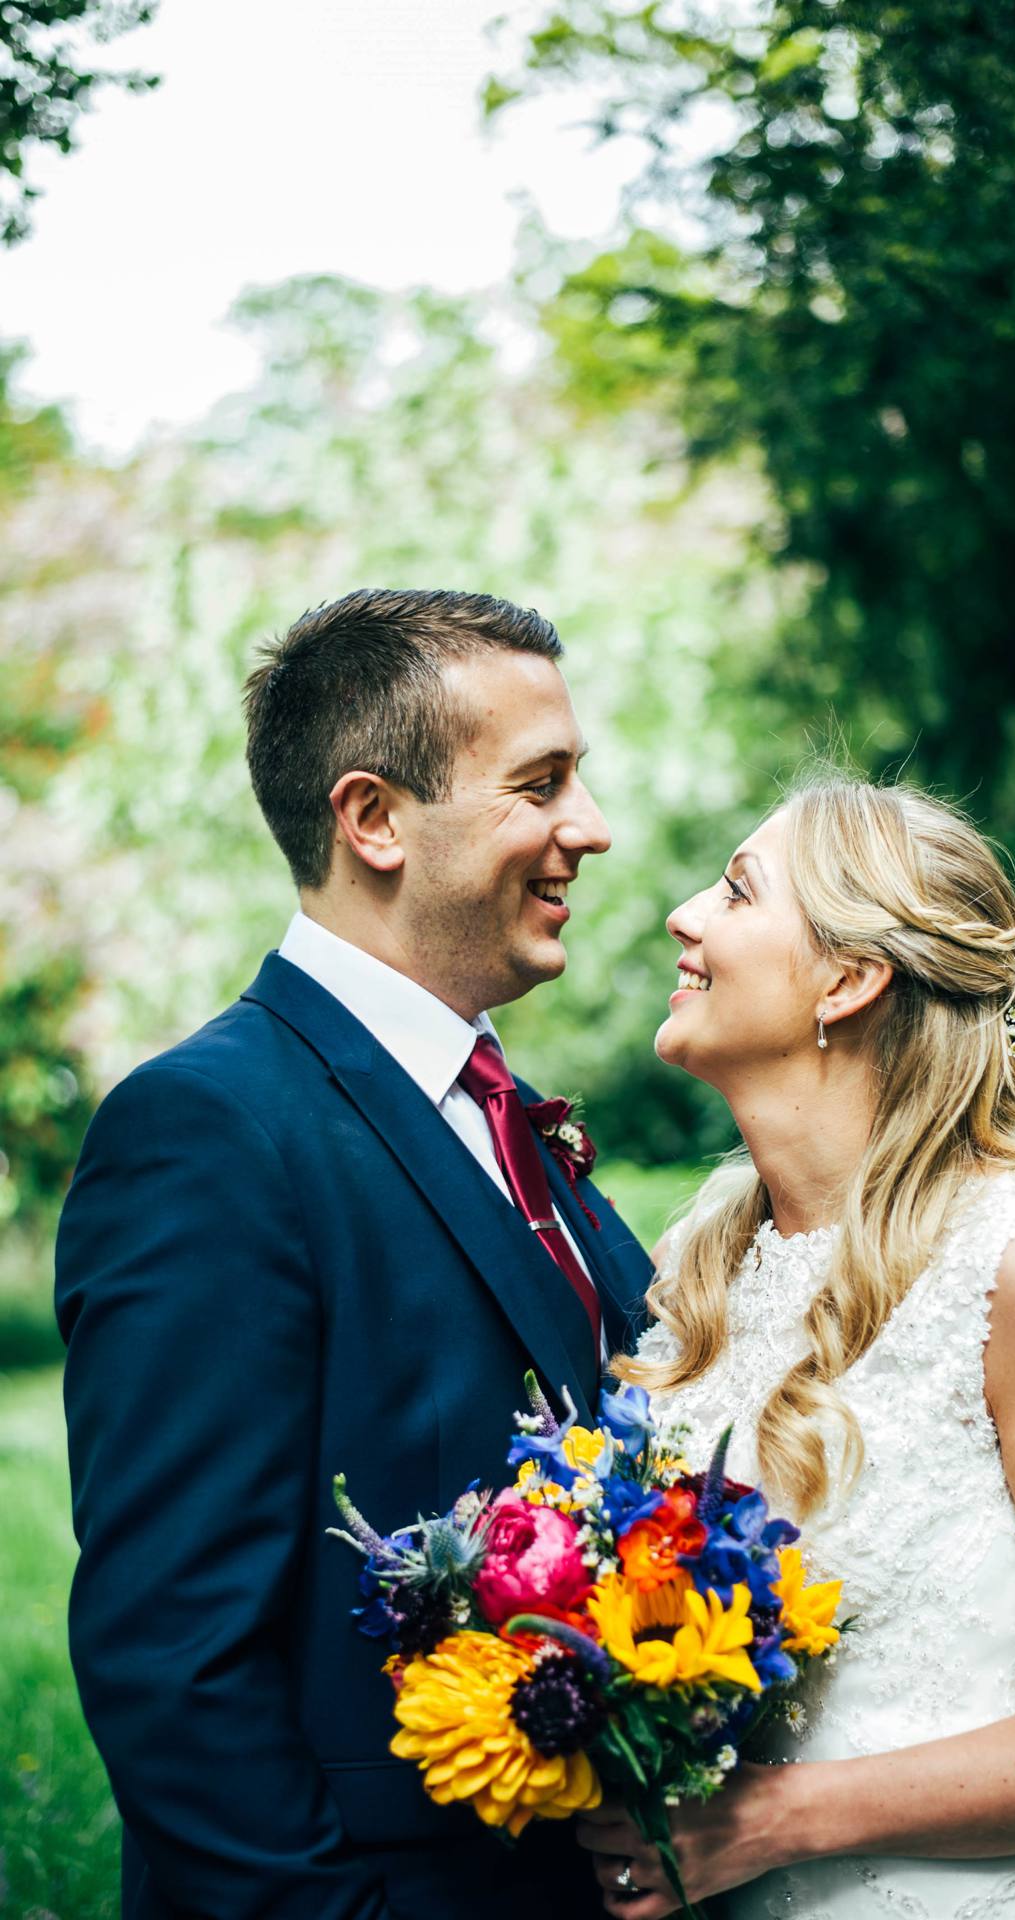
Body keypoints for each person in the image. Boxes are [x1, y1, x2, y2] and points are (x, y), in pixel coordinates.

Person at [578, 774, 1015, 1919]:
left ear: (849, 981)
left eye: (737, 892)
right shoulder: (703, 1269)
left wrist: (773, 1821)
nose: (685, 917)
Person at [55, 588, 654, 1920]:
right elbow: (174, 1660)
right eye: (539, 785)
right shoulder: (207, 1131)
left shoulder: (503, 1114)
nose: (589, 829)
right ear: (372, 818)